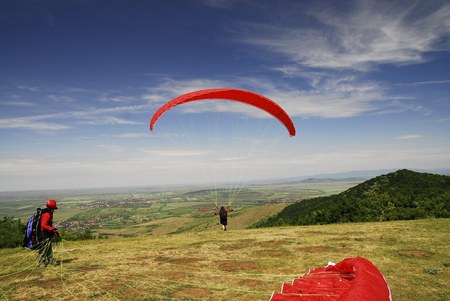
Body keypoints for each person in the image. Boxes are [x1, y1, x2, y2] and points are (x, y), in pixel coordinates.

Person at [38, 199, 59, 267]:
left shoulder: (48, 212)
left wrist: (53, 230)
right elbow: (43, 225)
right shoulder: (47, 214)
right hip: (43, 234)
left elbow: (48, 224)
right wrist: (51, 229)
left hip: (46, 233)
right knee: (43, 248)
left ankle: (50, 260)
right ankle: (42, 262)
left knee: (49, 247)